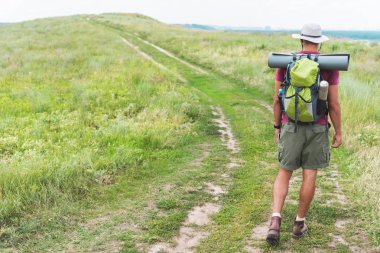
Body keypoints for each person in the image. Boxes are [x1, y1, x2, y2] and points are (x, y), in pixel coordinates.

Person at [266, 23, 342, 246]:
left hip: (291, 124)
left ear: (301, 40)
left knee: (284, 172)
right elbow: (334, 104)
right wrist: (338, 131)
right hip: (318, 127)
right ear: (319, 42)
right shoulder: (328, 66)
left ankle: (275, 221)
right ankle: (299, 224)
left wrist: (277, 127)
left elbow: (277, 99)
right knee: (310, 174)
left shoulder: (287, 62)